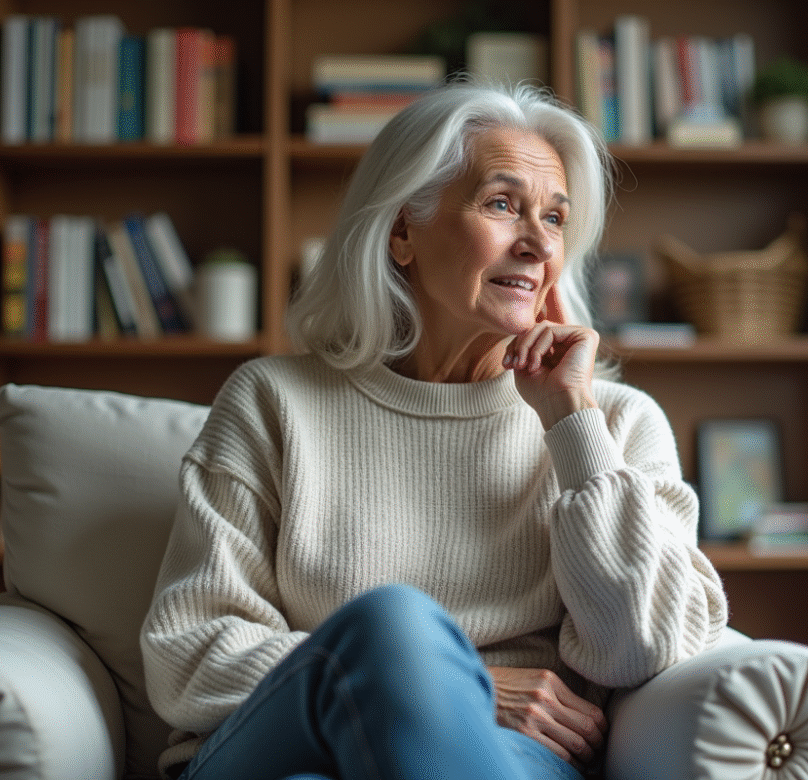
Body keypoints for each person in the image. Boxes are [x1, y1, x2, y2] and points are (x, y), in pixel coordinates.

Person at [140, 80, 728, 780]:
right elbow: (190, 652)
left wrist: (572, 422)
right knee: (394, 626)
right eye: (502, 204)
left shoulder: (616, 424)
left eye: (555, 218)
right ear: (402, 232)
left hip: (510, 763)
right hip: (282, 745)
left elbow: (648, 646)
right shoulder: (273, 401)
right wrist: (449, 685)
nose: (539, 242)